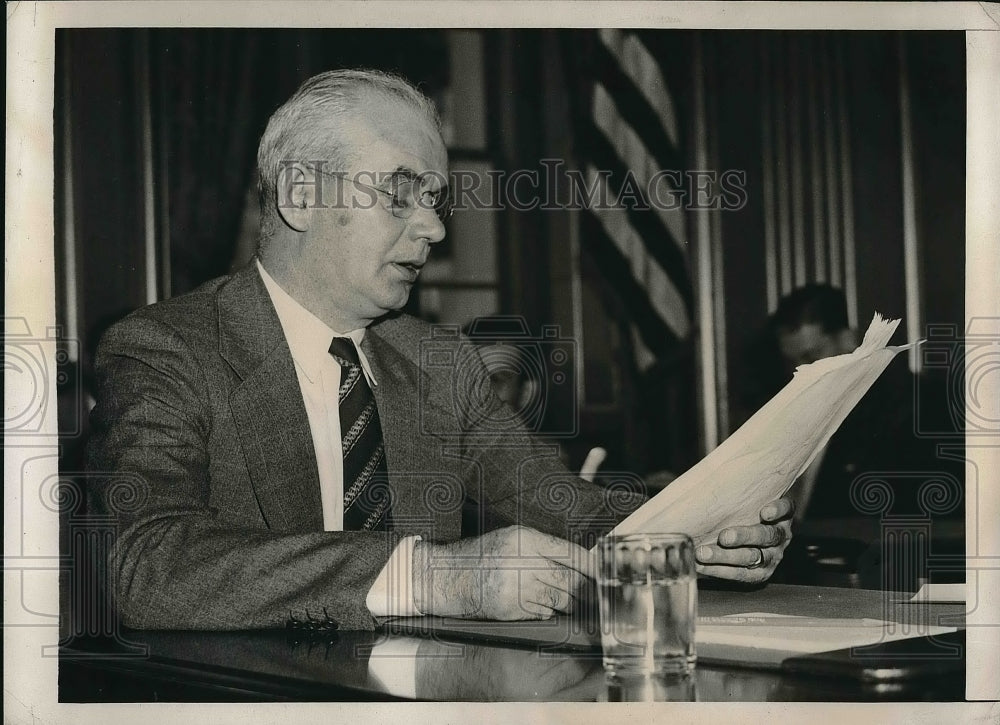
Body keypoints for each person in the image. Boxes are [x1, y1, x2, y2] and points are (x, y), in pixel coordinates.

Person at [86, 69, 793, 632]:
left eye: (436, 198)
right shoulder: (165, 349)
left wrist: (691, 529)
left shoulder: (440, 363)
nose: (433, 228)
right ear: (300, 194)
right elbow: (147, 566)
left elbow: (569, 510)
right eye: (401, 194)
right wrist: (431, 576)